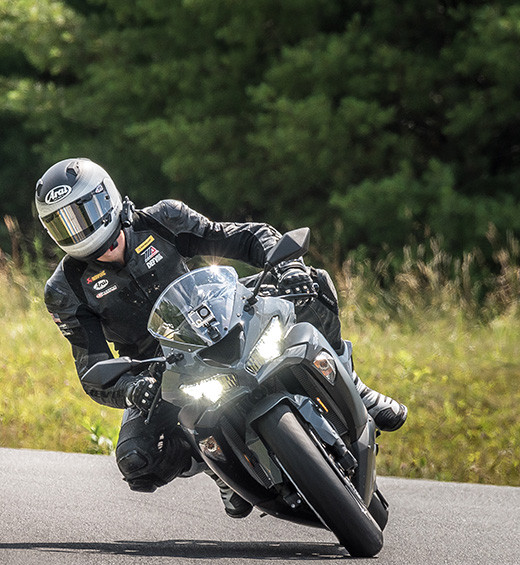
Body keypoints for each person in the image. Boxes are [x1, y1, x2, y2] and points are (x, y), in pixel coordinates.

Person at [36, 157, 407, 518]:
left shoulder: (163, 219)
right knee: (137, 461)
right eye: (65, 224)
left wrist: (287, 265)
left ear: (108, 198)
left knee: (315, 283)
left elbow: (247, 237)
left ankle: (353, 384)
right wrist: (131, 388)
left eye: (84, 213)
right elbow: (92, 366)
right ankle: (218, 466)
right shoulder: (65, 289)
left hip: (224, 314)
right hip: (159, 366)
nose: (81, 231)